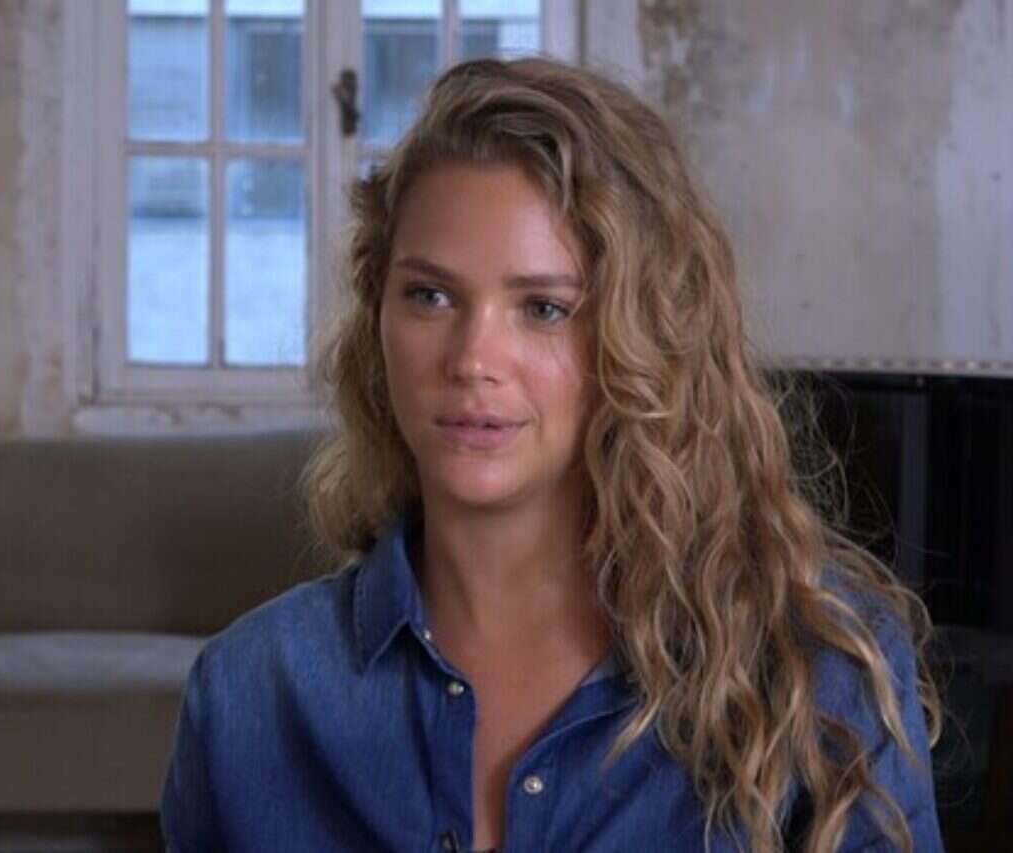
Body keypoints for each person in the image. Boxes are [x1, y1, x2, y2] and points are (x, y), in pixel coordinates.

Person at [160, 57, 942, 852]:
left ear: (642, 338)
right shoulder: (248, 695)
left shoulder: (816, 673)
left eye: (543, 308)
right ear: (377, 315)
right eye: (431, 295)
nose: (473, 358)